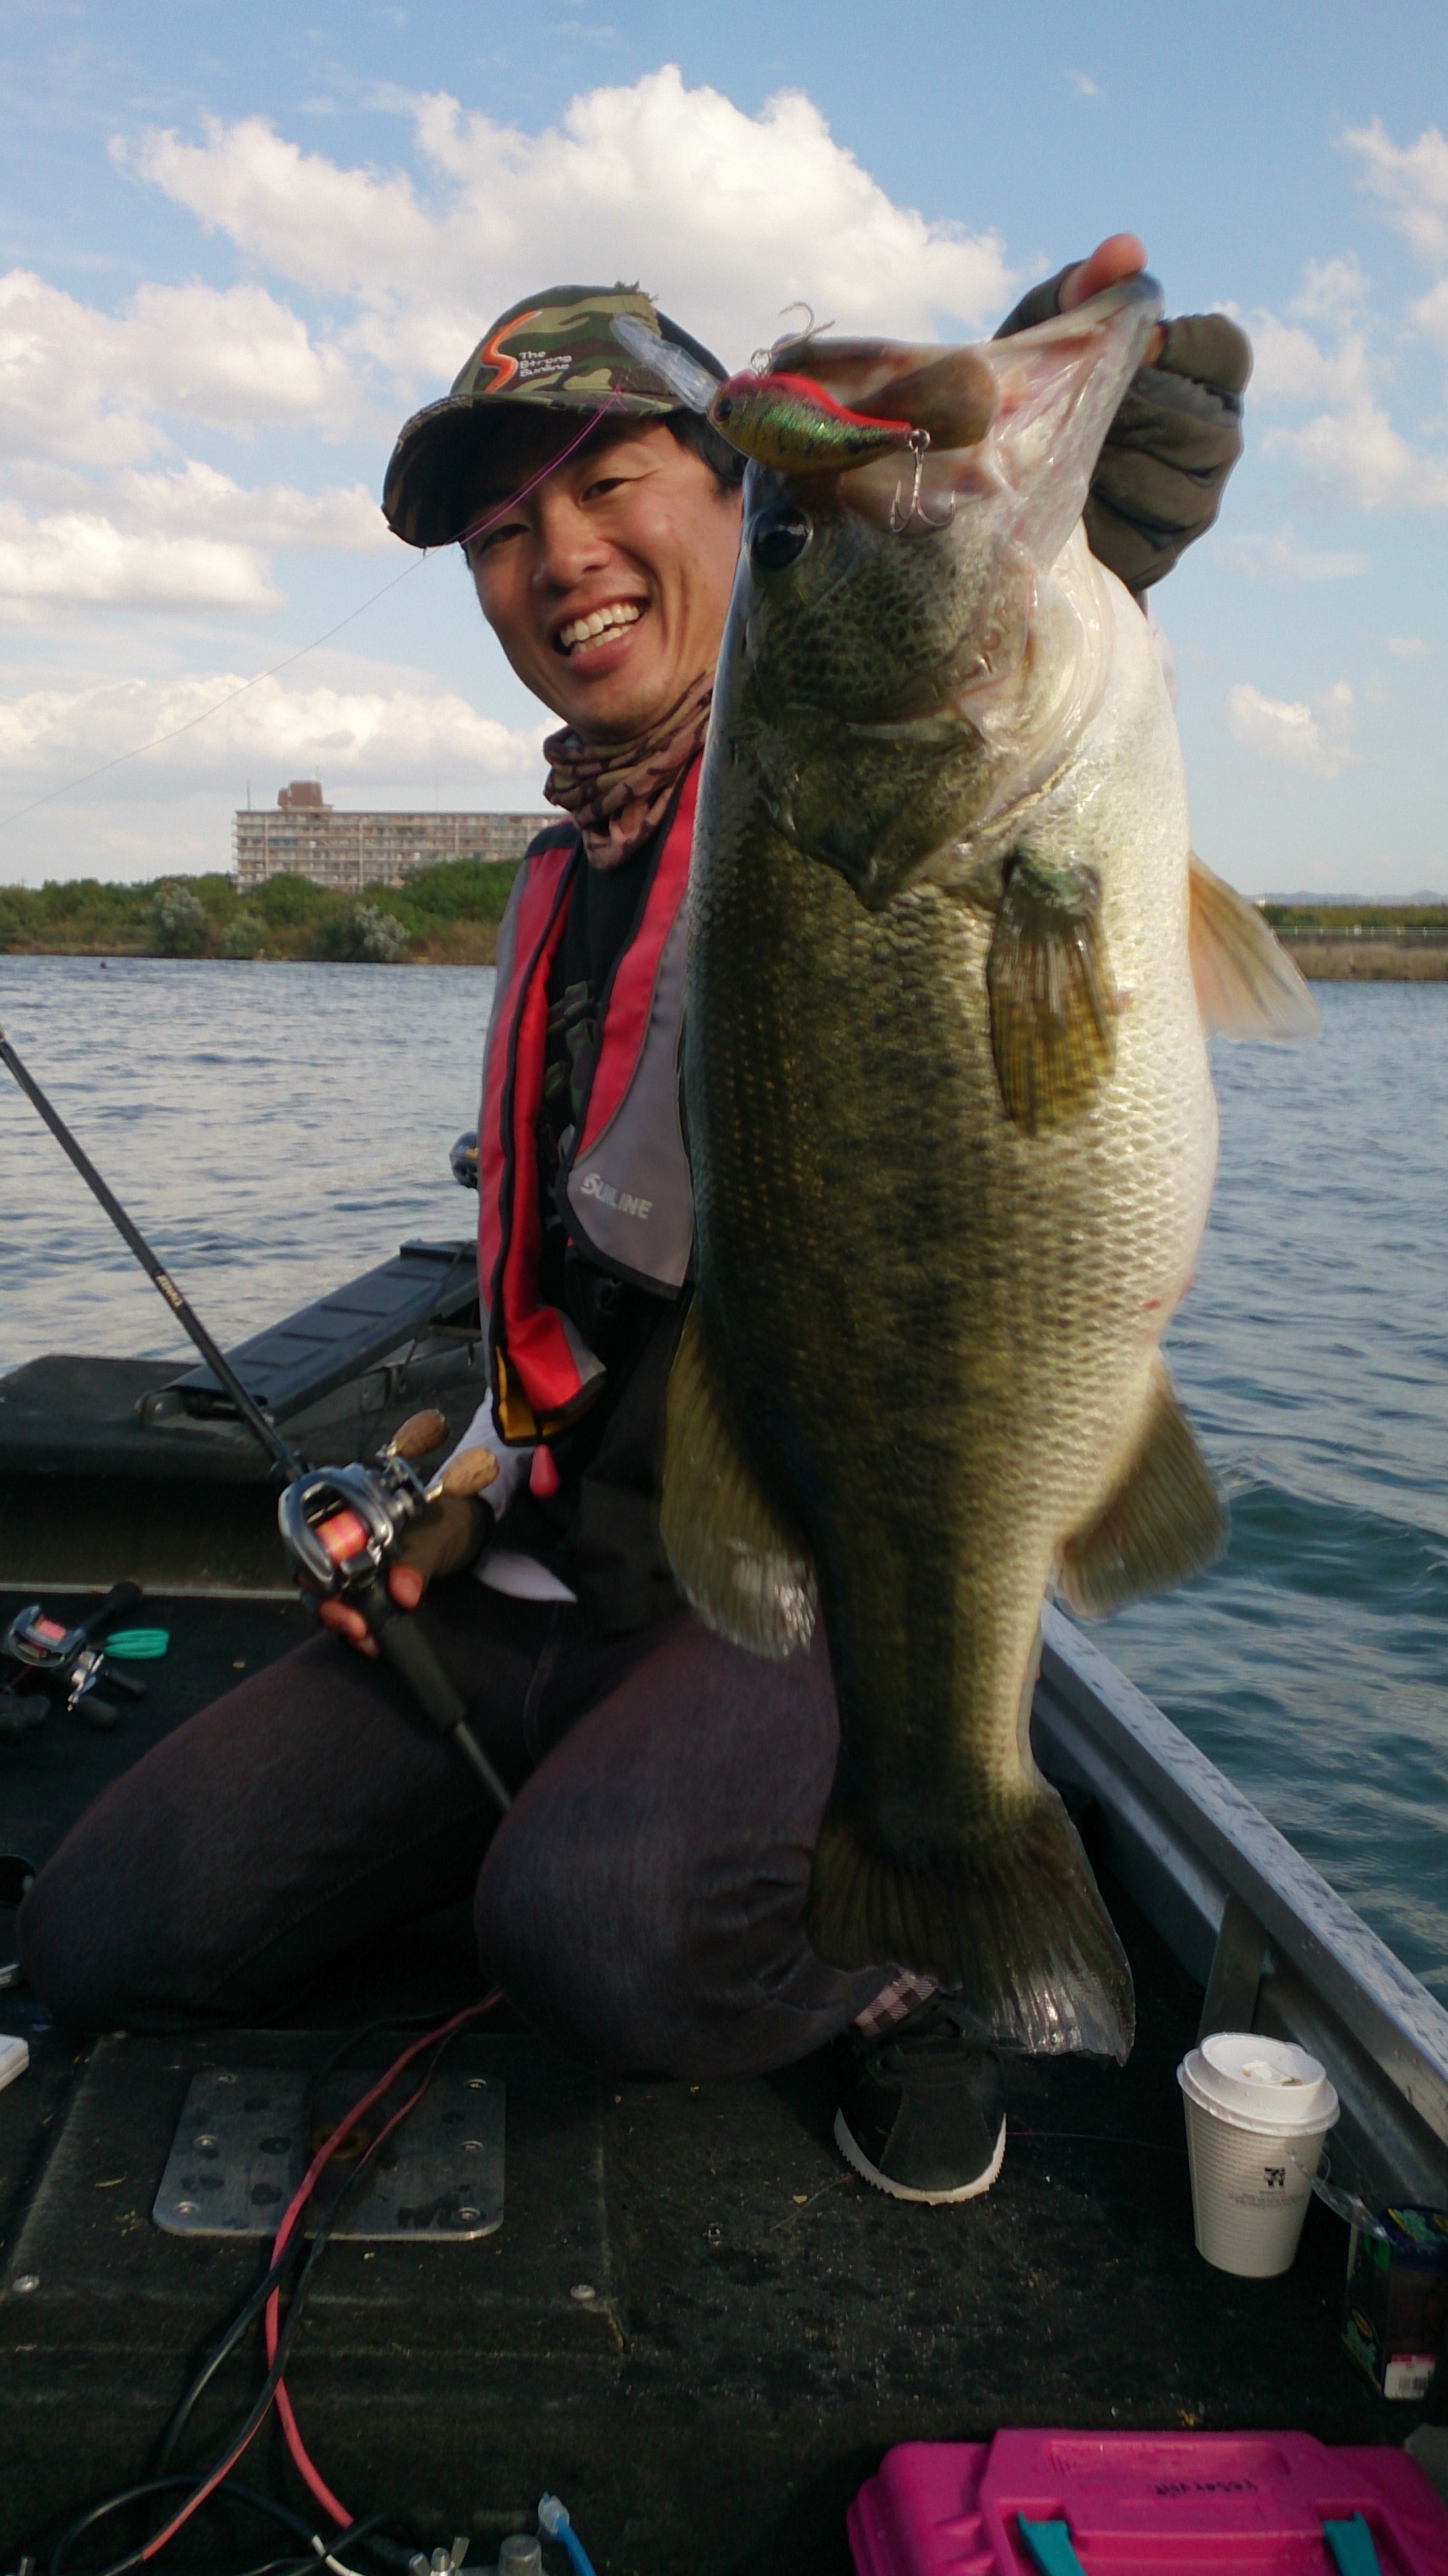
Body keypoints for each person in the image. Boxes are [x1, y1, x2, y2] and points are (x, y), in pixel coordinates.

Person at [19, 239, 1250, 2205]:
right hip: (551, 1555)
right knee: (105, 1938)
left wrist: (1073, 506)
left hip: (801, 1569)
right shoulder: (555, 870)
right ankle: (563, 1818)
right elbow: (569, 1274)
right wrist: (453, 1472)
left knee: (599, 1942)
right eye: (503, 531)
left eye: (611, 484)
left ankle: (909, 1948)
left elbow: (945, 705)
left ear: (735, 494)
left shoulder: (853, 783)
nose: (559, 555)